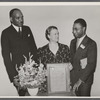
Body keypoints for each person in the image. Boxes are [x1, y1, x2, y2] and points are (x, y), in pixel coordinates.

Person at [1, 8, 37, 96]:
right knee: (24, 95)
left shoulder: (27, 29)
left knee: (35, 95)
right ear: (11, 19)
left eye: (22, 17)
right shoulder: (6, 33)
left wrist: (36, 68)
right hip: (18, 74)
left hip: (32, 71)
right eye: (18, 18)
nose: (21, 20)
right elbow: (6, 57)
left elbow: (34, 49)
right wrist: (13, 77)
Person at [37, 26, 72, 94]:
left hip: (63, 84)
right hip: (48, 85)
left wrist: (70, 67)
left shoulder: (65, 48)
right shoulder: (41, 51)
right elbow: (39, 69)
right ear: (48, 36)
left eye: (58, 33)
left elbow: (70, 64)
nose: (57, 36)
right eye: (55, 34)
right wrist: (43, 72)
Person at [70, 18, 97, 96]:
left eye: (76, 29)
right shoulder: (72, 42)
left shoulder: (91, 43)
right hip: (73, 79)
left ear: (84, 29)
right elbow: (72, 60)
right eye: (73, 29)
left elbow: (91, 65)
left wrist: (80, 81)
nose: (73, 31)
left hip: (84, 81)